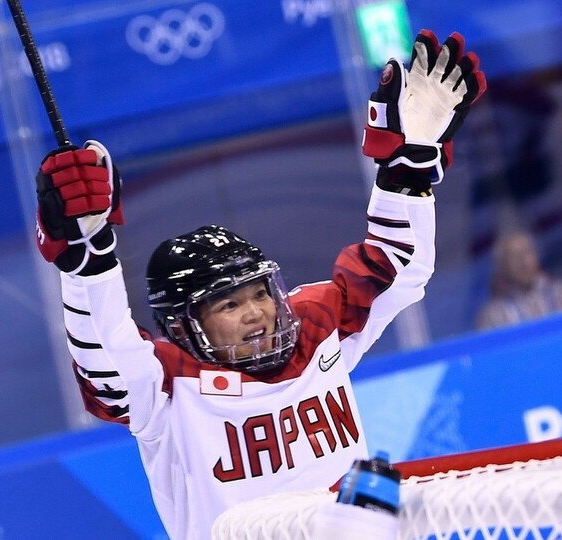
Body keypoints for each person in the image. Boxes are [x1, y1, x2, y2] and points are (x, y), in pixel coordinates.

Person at [32, 30, 485, 539]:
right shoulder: (164, 388)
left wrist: (407, 168)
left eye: (259, 293)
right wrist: (86, 258)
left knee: (381, 490)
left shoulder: (316, 326)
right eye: (229, 303)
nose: (256, 312)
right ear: (184, 325)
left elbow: (395, 268)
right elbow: (107, 359)